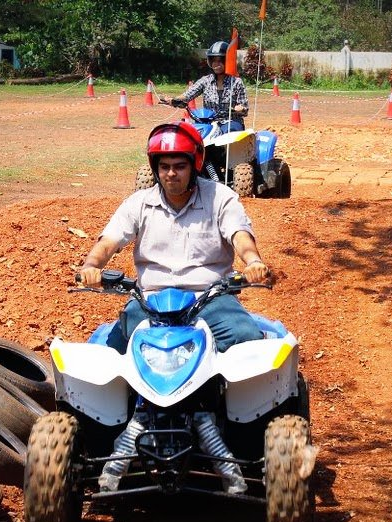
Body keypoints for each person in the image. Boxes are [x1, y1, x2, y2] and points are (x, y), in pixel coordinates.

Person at [78, 121, 269, 355]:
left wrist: (254, 262)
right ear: (155, 169)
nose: (171, 174)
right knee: (113, 353)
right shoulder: (139, 202)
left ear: (194, 166)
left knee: (247, 340)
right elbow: (108, 243)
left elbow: (240, 236)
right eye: (164, 166)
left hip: (210, 298)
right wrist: (91, 266)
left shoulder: (220, 197)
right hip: (151, 300)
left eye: (179, 166)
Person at [163, 41, 248, 132]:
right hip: (207, 122)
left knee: (229, 134)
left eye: (220, 61)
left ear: (227, 61)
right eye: (213, 60)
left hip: (230, 121)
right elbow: (188, 95)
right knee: (192, 135)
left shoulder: (236, 82)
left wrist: (239, 108)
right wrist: (173, 100)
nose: (216, 64)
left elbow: (244, 108)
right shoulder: (205, 80)